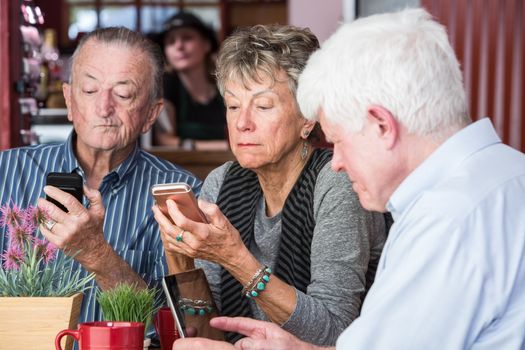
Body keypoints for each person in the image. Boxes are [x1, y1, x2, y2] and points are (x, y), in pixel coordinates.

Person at [170, 8, 525, 350]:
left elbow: (343, 331)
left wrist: (236, 260)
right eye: (233, 106)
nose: (335, 160)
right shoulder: (501, 176)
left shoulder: (447, 220)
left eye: (338, 139)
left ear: (382, 125)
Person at [152, 24, 386, 345]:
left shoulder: (337, 181)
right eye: (233, 106)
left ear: (307, 118)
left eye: (263, 106)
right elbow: (205, 325)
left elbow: (333, 330)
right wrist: (177, 252)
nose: (242, 123)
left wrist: (236, 259)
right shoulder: (222, 182)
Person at [0, 27, 201, 325]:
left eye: (123, 94)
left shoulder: (178, 196)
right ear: (69, 100)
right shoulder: (7, 172)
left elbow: (177, 327)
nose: (104, 108)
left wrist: (98, 255)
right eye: (90, 90)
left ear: (150, 114)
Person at [154, 11, 227, 148]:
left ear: (207, 44)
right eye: (171, 42)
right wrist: (223, 146)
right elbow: (165, 141)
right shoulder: (164, 86)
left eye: (187, 38)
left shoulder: (226, 86)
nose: (179, 46)